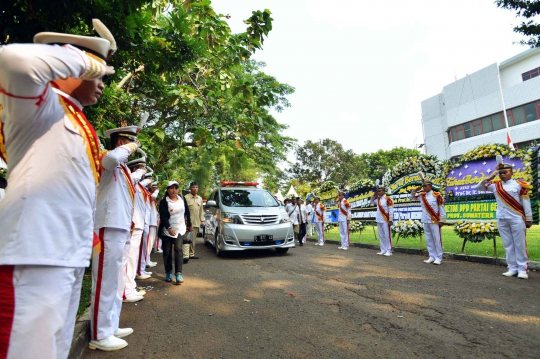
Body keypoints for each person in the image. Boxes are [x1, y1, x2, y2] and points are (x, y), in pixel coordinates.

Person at [0, 20, 115, 359]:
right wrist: (93, 59)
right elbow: (13, 60)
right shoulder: (37, 105)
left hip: (67, 254)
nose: (103, 83)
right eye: (98, 75)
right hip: (34, 253)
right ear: (70, 64)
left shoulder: (75, 118)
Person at [89, 125, 142, 351]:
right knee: (104, 282)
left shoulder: (124, 170)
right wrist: (131, 147)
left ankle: (110, 325)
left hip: (121, 227)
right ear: (121, 143)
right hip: (108, 226)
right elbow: (110, 159)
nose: (133, 148)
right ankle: (99, 334)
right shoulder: (107, 160)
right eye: (129, 143)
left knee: (116, 281)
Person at [475, 161, 533, 279]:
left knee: (520, 244)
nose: (502, 174)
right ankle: (512, 268)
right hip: (502, 218)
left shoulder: (519, 185)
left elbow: (526, 202)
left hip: (516, 217)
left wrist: (529, 219)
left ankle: (522, 269)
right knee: (508, 244)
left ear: (511, 172)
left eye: (505, 172)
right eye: (500, 172)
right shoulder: (495, 185)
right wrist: (489, 177)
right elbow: (478, 187)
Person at [123, 157, 149, 301]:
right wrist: (140, 172)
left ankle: (130, 287)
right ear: (135, 170)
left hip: (138, 224)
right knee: (129, 259)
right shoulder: (131, 180)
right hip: (133, 224)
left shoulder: (139, 185)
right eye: (142, 170)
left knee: (133, 259)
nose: (144, 173)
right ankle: (127, 290)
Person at [158, 181, 192, 285]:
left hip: (180, 229)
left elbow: (187, 212)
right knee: (167, 252)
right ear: (167, 190)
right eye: (171, 188)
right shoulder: (164, 201)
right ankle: (168, 272)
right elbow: (163, 216)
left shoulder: (182, 199)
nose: (174, 190)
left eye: (176, 188)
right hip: (167, 230)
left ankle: (178, 274)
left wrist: (189, 224)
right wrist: (169, 227)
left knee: (178, 249)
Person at [410, 180, 446, 264]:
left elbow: (441, 208)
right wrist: (415, 190)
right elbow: (411, 197)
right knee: (429, 239)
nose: (424, 187)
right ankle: (431, 256)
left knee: (437, 239)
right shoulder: (422, 195)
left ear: (430, 186)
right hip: (425, 219)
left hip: (435, 220)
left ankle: (439, 257)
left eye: (425, 186)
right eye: (423, 186)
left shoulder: (436, 195)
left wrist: (442, 220)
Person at [183, 181, 205, 263]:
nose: (195, 189)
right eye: (193, 187)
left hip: (196, 223)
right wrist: (184, 222)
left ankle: (191, 254)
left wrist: (202, 220)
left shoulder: (200, 198)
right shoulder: (186, 197)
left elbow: (201, 210)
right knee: (186, 239)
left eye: (196, 187)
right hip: (187, 223)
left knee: (193, 240)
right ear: (190, 188)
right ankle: (185, 255)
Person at [371, 185, 394, 256]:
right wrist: (375, 194)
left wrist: (390, 220)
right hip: (379, 219)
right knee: (381, 235)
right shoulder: (377, 199)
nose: (378, 192)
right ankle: (383, 249)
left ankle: (389, 250)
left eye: (380, 191)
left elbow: (391, 210)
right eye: (378, 191)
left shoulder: (388, 199)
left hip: (385, 219)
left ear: (384, 191)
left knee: (387, 235)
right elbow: (371, 201)